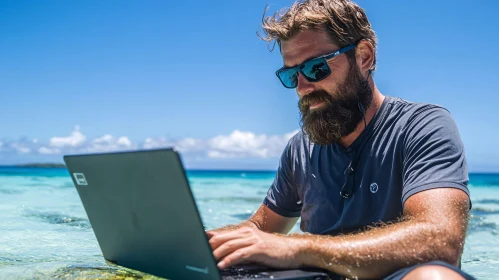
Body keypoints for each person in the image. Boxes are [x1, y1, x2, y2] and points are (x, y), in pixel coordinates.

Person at [206, 0, 475, 279]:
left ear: (364, 57)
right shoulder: (300, 149)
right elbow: (259, 230)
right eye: (291, 75)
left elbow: (441, 241)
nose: (302, 87)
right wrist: (194, 244)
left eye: (316, 68)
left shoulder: (422, 127)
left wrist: (297, 247)